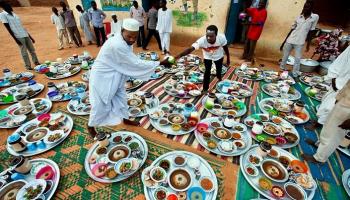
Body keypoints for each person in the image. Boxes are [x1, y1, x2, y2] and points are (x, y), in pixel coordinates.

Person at [87, 18, 170, 137]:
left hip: (116, 75)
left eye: (135, 37)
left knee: (121, 98)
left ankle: (125, 119)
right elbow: (135, 64)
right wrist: (160, 63)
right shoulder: (117, 44)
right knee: (100, 105)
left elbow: (129, 60)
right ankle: (90, 127)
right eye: (129, 36)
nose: (132, 40)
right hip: (102, 78)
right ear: (122, 31)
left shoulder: (124, 41)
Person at [302, 80, 350, 164]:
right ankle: (319, 144)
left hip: (348, 112)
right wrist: (339, 97)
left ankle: (319, 158)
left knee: (334, 135)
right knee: (328, 127)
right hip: (343, 102)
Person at [175, 25, 230, 94]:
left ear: (216, 35)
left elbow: (226, 48)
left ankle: (219, 77)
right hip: (207, 57)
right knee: (207, 71)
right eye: (207, 35)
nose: (209, 38)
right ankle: (205, 88)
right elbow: (190, 49)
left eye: (211, 36)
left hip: (218, 56)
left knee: (219, 69)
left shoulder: (221, 38)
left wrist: (228, 58)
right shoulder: (202, 40)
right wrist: (177, 57)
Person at [305, 46, 350, 131]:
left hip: (345, 87)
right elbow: (341, 61)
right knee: (326, 101)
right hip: (339, 80)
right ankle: (319, 120)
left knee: (330, 107)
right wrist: (333, 77)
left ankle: (319, 124)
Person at [280, 0, 319, 77]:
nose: (306, 8)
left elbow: (312, 31)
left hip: (300, 42)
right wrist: (284, 42)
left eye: (308, 7)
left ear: (311, 8)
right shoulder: (299, 17)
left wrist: (308, 45)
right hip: (290, 40)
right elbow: (291, 30)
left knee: (297, 58)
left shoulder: (314, 17)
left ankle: (295, 73)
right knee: (285, 56)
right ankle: (282, 69)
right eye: (305, 6)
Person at [0, 2, 39, 70]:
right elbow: (8, 28)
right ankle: (28, 66)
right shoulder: (2, 15)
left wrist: (30, 36)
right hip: (18, 36)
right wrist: (15, 39)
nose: (10, 7)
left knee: (32, 50)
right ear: (4, 6)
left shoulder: (15, 14)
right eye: (9, 6)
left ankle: (36, 62)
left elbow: (22, 26)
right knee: (24, 52)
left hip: (25, 34)